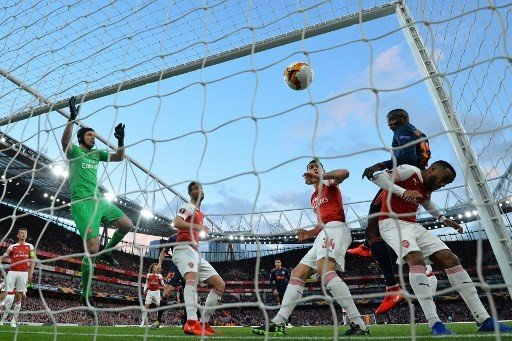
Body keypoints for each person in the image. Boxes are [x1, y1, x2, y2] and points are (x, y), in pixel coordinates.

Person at [369, 161, 512, 335]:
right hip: (391, 223)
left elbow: (428, 204)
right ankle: (434, 323)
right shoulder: (409, 171)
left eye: (447, 183)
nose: (443, 184)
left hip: (412, 225)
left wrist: (444, 219)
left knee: (450, 258)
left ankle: (484, 319)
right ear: (433, 169)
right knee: (415, 258)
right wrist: (404, 191)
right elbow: (379, 177)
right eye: (444, 179)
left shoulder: (427, 188)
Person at [253, 160, 369, 336]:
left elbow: (345, 172)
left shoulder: (328, 182)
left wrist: (322, 175)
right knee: (297, 273)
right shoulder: (313, 198)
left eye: (317, 167)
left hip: (337, 228)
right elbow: (321, 223)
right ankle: (279, 322)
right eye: (311, 168)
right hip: (324, 232)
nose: (314, 169)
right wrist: (308, 234)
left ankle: (358, 323)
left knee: (325, 270)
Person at [350, 108, 432, 315]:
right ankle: (367, 246)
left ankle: (392, 287)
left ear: (402, 118)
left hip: (406, 177)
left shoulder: (403, 129)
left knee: (374, 224)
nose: (390, 125)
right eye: (388, 122)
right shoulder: (418, 132)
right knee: (378, 217)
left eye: (392, 121)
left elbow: (406, 157)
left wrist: (380, 165)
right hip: (415, 177)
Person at [61, 96, 134, 315]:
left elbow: (119, 158)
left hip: (99, 200)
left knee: (127, 224)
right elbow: (65, 143)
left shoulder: (96, 154)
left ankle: (108, 251)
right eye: (90, 135)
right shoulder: (75, 152)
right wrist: (72, 120)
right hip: (82, 204)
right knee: (91, 249)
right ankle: (85, 294)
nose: (94, 138)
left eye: (94, 135)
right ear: (82, 137)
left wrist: (121, 141)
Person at [171, 181, 225, 336]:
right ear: (190, 193)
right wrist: (198, 227)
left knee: (220, 285)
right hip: (183, 248)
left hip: (194, 252)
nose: (199, 190)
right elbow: (177, 222)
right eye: (195, 188)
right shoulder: (187, 206)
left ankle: (203, 323)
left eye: (201, 188)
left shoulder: (200, 213)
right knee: (191, 280)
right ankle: (191, 322)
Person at [0, 228, 35, 327]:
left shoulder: (30, 246)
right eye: (22, 233)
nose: (23, 234)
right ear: (18, 235)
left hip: (23, 273)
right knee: (3, 294)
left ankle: (13, 321)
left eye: (25, 233)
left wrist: (31, 273)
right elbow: (4, 256)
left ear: (26, 235)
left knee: (19, 297)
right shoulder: (12, 246)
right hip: (12, 272)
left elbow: (33, 260)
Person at [151, 232, 186, 329]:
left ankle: (186, 321)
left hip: (187, 267)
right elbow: (163, 251)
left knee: (187, 294)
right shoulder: (172, 238)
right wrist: (159, 263)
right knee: (166, 293)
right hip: (175, 267)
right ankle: (158, 320)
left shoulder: (190, 236)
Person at [269, 259, 292, 326]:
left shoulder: (285, 270)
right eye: (277, 262)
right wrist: (274, 289)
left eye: (279, 262)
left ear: (281, 263)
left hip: (286, 290)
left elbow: (289, 278)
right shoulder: (273, 271)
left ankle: (289, 322)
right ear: (275, 264)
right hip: (279, 291)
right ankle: (283, 322)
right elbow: (271, 282)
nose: (278, 263)